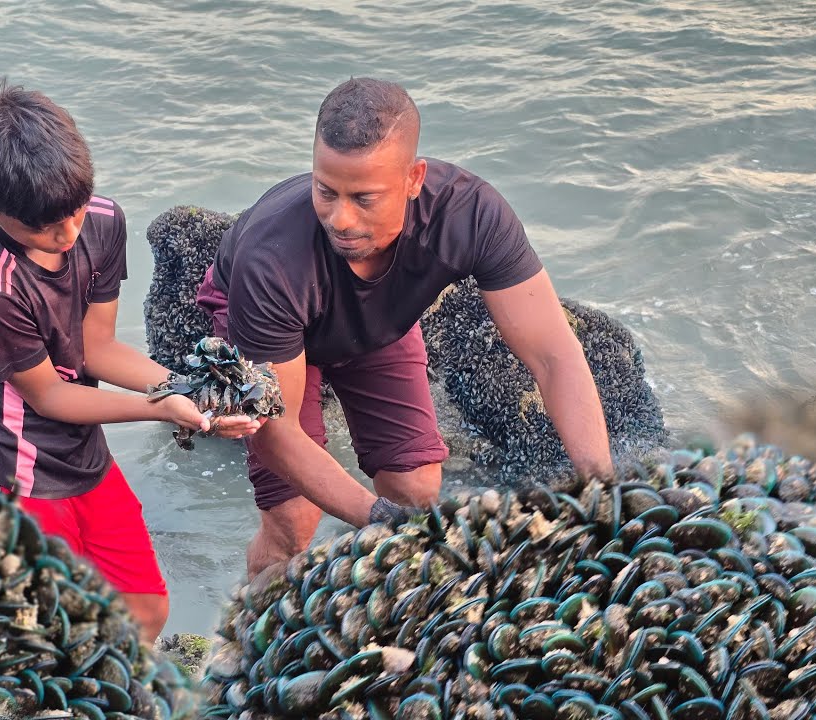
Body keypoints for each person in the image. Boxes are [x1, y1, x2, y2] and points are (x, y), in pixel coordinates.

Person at [197, 77, 614, 578]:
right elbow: (275, 430)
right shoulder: (272, 259)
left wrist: (600, 488)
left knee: (417, 493)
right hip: (268, 322)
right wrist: (375, 517)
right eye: (325, 191)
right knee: (293, 520)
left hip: (374, 328)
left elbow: (553, 356)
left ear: (414, 179)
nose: (341, 219)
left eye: (364, 198)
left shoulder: (470, 215)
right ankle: (252, 640)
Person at [0, 80, 261, 641]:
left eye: (73, 211)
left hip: (84, 458)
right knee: (47, 634)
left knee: (145, 610)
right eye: (46, 227)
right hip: (13, 472)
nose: (70, 234)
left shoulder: (102, 220)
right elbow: (50, 396)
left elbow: (97, 347)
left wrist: (192, 389)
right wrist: (165, 410)